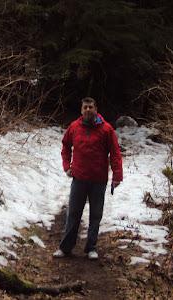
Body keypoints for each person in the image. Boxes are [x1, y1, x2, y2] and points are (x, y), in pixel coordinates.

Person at [53, 97, 123, 260]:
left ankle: (91, 247)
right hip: (79, 178)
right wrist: (67, 166)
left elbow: (115, 153)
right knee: (73, 214)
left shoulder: (106, 130)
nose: (88, 110)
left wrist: (117, 176)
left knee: (95, 215)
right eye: (85, 107)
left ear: (96, 109)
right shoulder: (74, 127)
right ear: (81, 110)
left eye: (91, 107)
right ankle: (65, 248)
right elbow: (65, 146)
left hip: (99, 179)